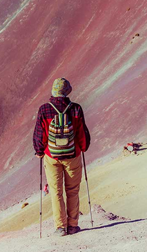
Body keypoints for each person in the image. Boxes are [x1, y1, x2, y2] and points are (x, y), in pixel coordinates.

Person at [33, 78, 91, 237]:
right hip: (73, 155)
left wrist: (39, 151)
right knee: (72, 190)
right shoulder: (76, 109)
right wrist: (83, 148)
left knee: (56, 191)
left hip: (52, 157)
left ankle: (60, 227)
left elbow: (39, 134)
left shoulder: (44, 109)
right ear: (68, 92)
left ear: (53, 91)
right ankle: (72, 225)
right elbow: (82, 133)